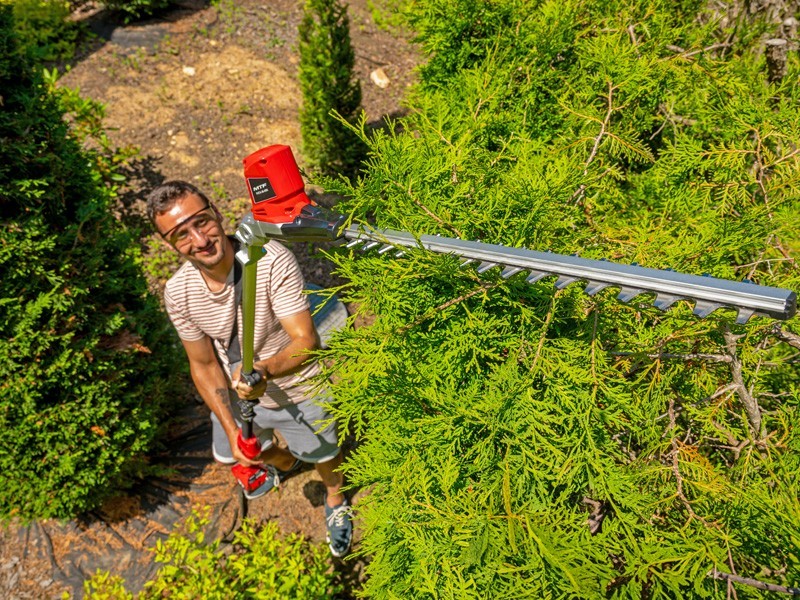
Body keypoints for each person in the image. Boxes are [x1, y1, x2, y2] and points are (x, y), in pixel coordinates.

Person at [146, 180, 352, 558]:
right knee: (242, 454)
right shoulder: (179, 292)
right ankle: (283, 463)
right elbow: (204, 364)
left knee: (324, 455)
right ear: (169, 244)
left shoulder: (270, 260)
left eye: (202, 222)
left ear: (216, 211)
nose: (201, 239)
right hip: (243, 399)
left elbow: (306, 340)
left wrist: (264, 371)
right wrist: (231, 428)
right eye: (181, 234)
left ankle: (336, 499)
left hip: (298, 385)